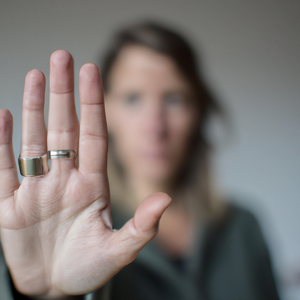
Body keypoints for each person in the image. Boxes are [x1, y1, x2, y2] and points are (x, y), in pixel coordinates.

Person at [0, 21, 280, 300]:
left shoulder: (245, 228)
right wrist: (50, 296)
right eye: (133, 98)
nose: (155, 127)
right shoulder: (62, 229)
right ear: (106, 110)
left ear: (199, 111)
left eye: (175, 99)